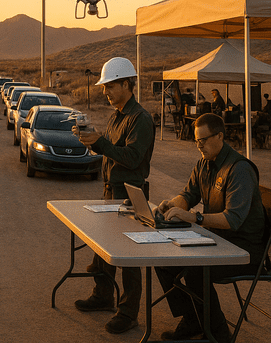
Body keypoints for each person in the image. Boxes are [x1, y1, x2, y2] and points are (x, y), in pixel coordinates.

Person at [155, 113, 266, 342]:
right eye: (196, 141)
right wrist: (172, 204)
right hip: (218, 241)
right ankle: (194, 319)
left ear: (220, 136)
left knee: (195, 267)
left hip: (244, 250)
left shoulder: (239, 169)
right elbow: (189, 193)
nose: (199, 146)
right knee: (164, 259)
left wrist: (194, 217)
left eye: (203, 140)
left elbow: (232, 219)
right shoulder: (204, 163)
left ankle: (217, 334)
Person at [72, 57, 155, 334]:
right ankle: (103, 296)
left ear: (125, 84)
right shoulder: (117, 116)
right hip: (112, 190)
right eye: (105, 87)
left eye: (109, 86)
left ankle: (128, 312)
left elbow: (132, 158)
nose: (105, 92)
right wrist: (92, 141)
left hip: (130, 195)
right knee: (104, 246)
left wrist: (102, 143)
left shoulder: (140, 119)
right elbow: (110, 151)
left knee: (129, 257)